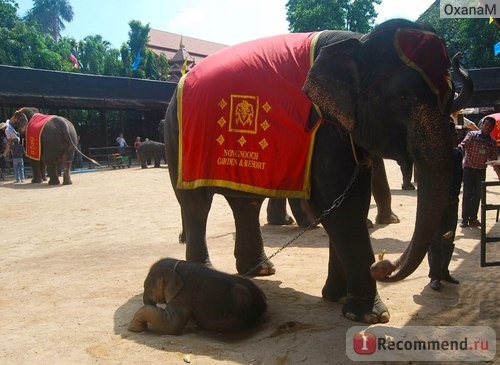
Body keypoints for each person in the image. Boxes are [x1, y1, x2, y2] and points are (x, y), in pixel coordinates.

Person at [427, 123, 462, 291]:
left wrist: (452, 198)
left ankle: (444, 271)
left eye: (451, 135)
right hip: (435, 205)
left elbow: (458, 180)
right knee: (435, 241)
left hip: (451, 204)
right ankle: (434, 276)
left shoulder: (457, 155)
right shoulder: (432, 155)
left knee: (448, 239)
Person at [458, 116, 500, 228]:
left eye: (490, 126)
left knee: (477, 195)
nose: (487, 127)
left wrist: (498, 174)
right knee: (467, 194)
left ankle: (473, 218)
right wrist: (457, 152)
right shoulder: (472, 135)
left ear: (492, 128)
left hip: (481, 171)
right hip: (468, 169)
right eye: (486, 125)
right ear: (482, 124)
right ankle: (464, 219)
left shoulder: (492, 142)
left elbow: (493, 160)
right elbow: (463, 145)